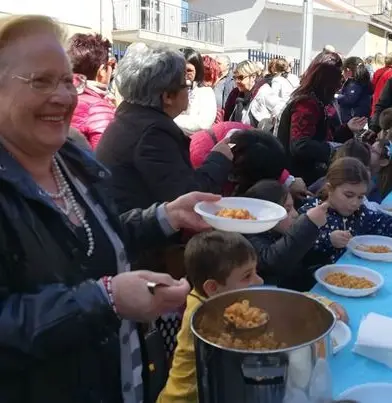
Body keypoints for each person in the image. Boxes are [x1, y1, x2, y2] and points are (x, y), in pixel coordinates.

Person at [0, 14, 223, 403]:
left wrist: (165, 216)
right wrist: (105, 300)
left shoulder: (70, 159)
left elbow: (93, 241)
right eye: (40, 81)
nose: (63, 96)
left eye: (68, 80)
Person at [157, 230, 347, 403]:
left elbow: (275, 296)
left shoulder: (228, 299)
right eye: (247, 276)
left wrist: (323, 302)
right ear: (213, 288)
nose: (259, 280)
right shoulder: (202, 317)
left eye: (256, 272)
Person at [96, 45, 233, 212]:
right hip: (136, 232)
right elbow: (188, 198)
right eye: (185, 85)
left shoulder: (131, 116)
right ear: (168, 96)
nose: (188, 90)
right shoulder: (154, 133)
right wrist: (218, 158)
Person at [276, 51, 366, 186]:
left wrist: (347, 128)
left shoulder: (316, 101)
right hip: (300, 179)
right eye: (338, 77)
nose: (341, 83)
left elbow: (322, 136)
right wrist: (333, 150)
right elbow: (300, 145)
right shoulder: (306, 104)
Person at [299, 157, 392, 266]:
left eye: (360, 197)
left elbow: (385, 222)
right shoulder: (310, 213)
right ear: (330, 189)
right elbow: (297, 249)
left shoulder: (359, 213)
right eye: (349, 195)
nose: (355, 203)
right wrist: (328, 240)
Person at [67, 33, 116, 149]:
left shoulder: (54, 96)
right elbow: (105, 161)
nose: (112, 72)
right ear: (102, 70)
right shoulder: (98, 108)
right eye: (111, 66)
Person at [224, 60, 285, 127]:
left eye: (240, 77)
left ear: (253, 77)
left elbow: (281, 107)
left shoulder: (263, 91)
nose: (237, 81)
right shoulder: (238, 94)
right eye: (235, 78)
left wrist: (268, 124)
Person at [174, 48, 217, 135]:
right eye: (181, 70)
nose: (184, 75)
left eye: (189, 71)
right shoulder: (170, 89)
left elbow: (203, 124)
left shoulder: (205, 92)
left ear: (197, 71)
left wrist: (171, 119)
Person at [336, 56, 372, 123]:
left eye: (343, 70)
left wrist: (337, 97)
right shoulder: (363, 80)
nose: (342, 73)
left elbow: (349, 99)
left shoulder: (354, 84)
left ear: (348, 70)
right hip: (360, 117)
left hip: (353, 118)